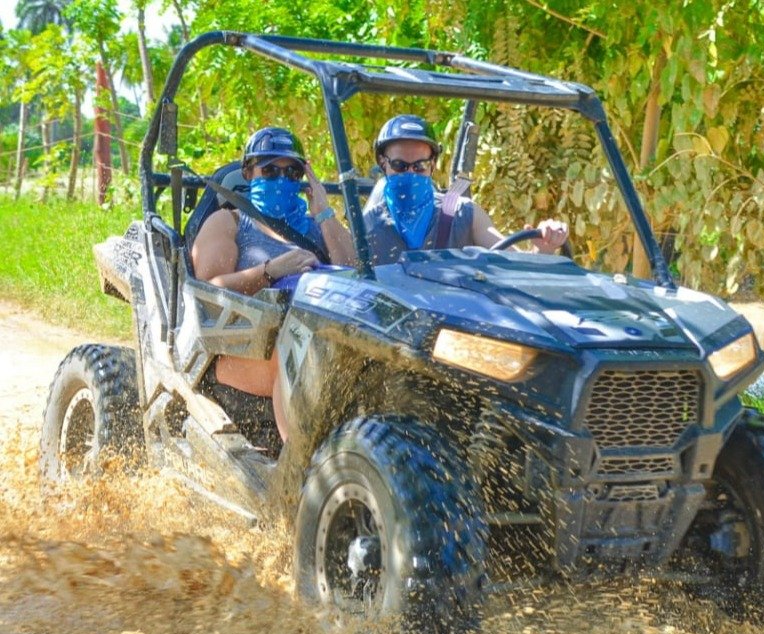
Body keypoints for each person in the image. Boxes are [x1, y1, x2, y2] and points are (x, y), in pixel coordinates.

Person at [191, 126, 354, 441]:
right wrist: (270, 271)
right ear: (248, 173)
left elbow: (356, 277)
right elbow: (207, 290)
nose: (282, 179)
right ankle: (300, 465)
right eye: (270, 170)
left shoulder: (317, 228)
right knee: (296, 356)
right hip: (244, 346)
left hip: (324, 343)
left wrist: (324, 213)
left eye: (292, 172)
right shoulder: (229, 221)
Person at [363, 114, 569, 265]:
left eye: (420, 166)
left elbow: (516, 267)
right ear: (383, 164)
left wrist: (542, 250)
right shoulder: (367, 226)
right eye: (399, 165)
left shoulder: (463, 215)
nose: (410, 174)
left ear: (432, 165)